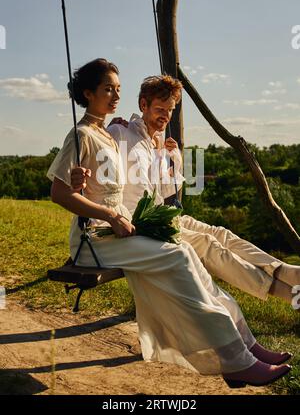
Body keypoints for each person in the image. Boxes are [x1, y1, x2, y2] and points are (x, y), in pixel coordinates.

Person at [48, 58, 291, 388]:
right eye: (108, 89)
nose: (115, 94)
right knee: (179, 255)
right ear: (88, 93)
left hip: (115, 234)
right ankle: (235, 359)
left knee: (188, 254)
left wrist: (166, 157)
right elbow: (59, 193)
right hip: (92, 241)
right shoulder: (82, 134)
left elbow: (125, 182)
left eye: (118, 88)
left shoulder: (106, 135)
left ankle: (243, 348)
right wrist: (104, 209)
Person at [71, 74, 300, 310]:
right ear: (143, 105)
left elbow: (167, 191)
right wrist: (83, 173)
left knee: (220, 233)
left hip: (159, 216)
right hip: (136, 224)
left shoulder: (156, 143)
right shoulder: (121, 132)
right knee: (209, 244)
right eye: (160, 108)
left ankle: (285, 271)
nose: (165, 116)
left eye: (170, 110)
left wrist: (173, 159)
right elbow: (98, 153)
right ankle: (290, 295)